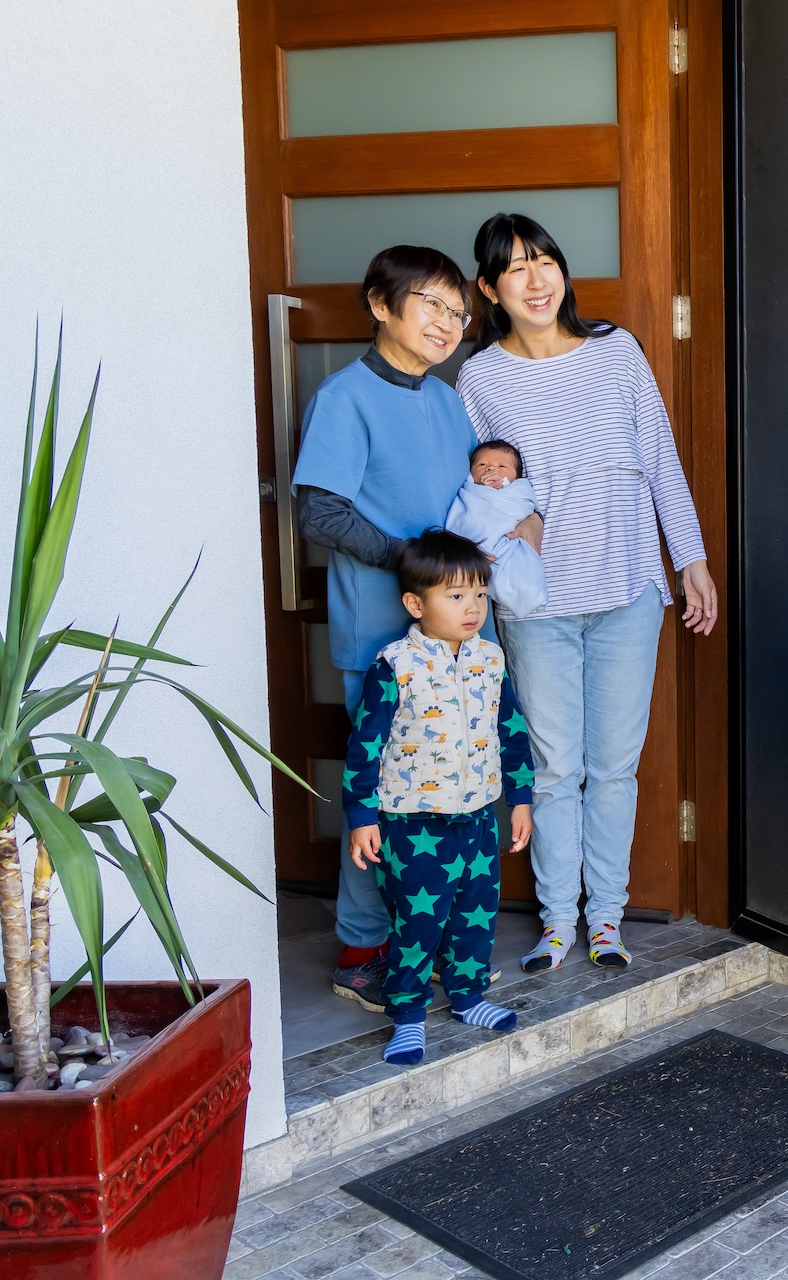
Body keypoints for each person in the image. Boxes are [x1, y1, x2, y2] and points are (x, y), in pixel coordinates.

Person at [455, 212, 717, 973]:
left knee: (613, 766)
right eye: (515, 269)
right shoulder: (480, 377)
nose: (535, 280)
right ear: (490, 289)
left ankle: (606, 920)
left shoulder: (617, 351)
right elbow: (472, 491)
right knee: (555, 766)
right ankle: (556, 923)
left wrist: (690, 560)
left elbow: (661, 458)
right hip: (535, 601)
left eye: (545, 261)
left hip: (628, 583)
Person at [294, 245, 527, 1011]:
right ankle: (361, 951)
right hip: (386, 632)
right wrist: (415, 567)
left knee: (457, 782)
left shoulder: (446, 398)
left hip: (463, 629)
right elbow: (318, 511)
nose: (448, 323)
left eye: (458, 312)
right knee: (387, 794)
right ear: (379, 303)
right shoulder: (345, 397)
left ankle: (429, 947)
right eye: (431, 303)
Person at [342, 530, 535, 1066]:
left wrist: (519, 799)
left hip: (478, 817)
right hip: (412, 822)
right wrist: (362, 815)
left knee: (476, 914)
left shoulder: (490, 660)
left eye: (479, 594)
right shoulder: (395, 664)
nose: (472, 607)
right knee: (418, 923)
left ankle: (468, 996)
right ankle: (407, 1014)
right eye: (455, 596)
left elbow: (512, 731)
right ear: (415, 603)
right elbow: (365, 746)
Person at [448, 439, 549, 618]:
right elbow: (463, 520)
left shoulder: (517, 491)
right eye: (482, 464)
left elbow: (524, 505)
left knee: (520, 573)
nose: (491, 469)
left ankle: (525, 592)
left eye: (502, 466)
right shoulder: (470, 493)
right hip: (479, 552)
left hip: (509, 543)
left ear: (516, 477)